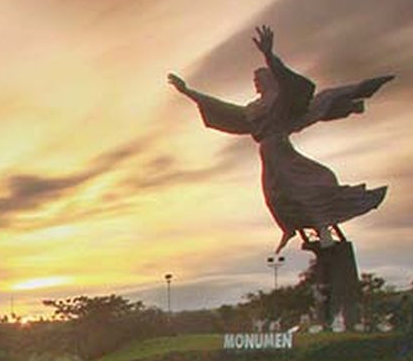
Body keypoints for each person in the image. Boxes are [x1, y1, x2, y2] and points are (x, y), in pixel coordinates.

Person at [168, 25, 393, 252]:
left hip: (280, 150)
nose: (255, 83)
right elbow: (222, 108)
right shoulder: (254, 108)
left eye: (259, 79)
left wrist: (269, 56)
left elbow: (316, 100)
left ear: (269, 81)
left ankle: (323, 229)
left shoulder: (280, 103)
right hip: (269, 153)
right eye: (254, 80)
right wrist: (188, 91)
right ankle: (298, 228)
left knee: (301, 190)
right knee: (276, 197)